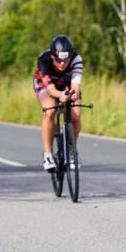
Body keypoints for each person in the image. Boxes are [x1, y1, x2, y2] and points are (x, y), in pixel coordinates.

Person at [33, 35, 83, 171]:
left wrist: (72, 94)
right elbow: (51, 89)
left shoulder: (76, 59)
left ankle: (71, 149)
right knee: (49, 111)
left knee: (76, 116)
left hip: (67, 84)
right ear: (52, 56)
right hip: (46, 85)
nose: (62, 64)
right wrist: (60, 96)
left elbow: (75, 86)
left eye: (66, 60)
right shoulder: (44, 59)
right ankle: (48, 155)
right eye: (58, 60)